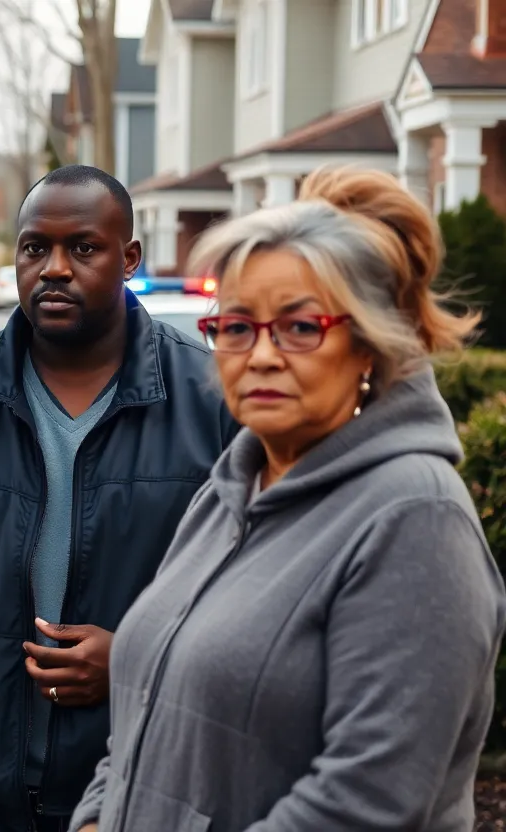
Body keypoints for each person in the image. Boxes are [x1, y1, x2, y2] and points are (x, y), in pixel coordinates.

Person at [69, 167, 506, 832]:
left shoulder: (416, 517)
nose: (261, 355)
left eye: (300, 327)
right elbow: (145, 705)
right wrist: (97, 817)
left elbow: (369, 802)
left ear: (366, 343)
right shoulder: (231, 488)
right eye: (238, 326)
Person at [0, 165, 239, 832]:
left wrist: (138, 660)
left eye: (83, 248)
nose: (54, 268)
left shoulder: (212, 401)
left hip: (144, 787)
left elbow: (254, 590)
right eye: (35, 248)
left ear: (129, 258)